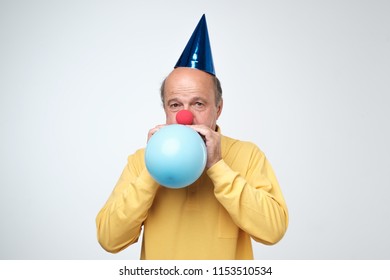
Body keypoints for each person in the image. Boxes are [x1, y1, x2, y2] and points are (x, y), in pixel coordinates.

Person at [96, 15, 288, 260]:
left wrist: (219, 168)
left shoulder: (247, 155)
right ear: (164, 109)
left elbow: (273, 231)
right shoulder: (140, 161)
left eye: (198, 103)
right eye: (175, 104)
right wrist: (151, 171)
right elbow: (109, 240)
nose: (185, 116)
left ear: (218, 109)